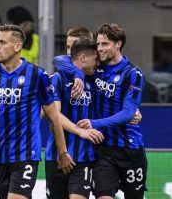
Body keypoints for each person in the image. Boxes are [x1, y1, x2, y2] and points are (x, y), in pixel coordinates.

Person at [0, 24, 75, 199]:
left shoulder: (36, 75)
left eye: (2, 42)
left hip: (26, 153)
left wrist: (62, 153)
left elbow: (53, 117)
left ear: (17, 46)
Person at [55, 23, 146, 199]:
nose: (100, 48)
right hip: (103, 149)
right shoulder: (97, 67)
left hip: (130, 147)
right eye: (98, 44)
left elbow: (128, 113)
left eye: (105, 44)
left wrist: (94, 123)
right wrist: (79, 75)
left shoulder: (133, 73)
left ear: (118, 44)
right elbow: (61, 59)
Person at [46, 34, 104, 199]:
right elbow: (54, 115)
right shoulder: (57, 79)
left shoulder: (94, 80)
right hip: (56, 155)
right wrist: (81, 131)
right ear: (83, 57)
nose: (99, 63)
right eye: (96, 59)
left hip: (84, 157)